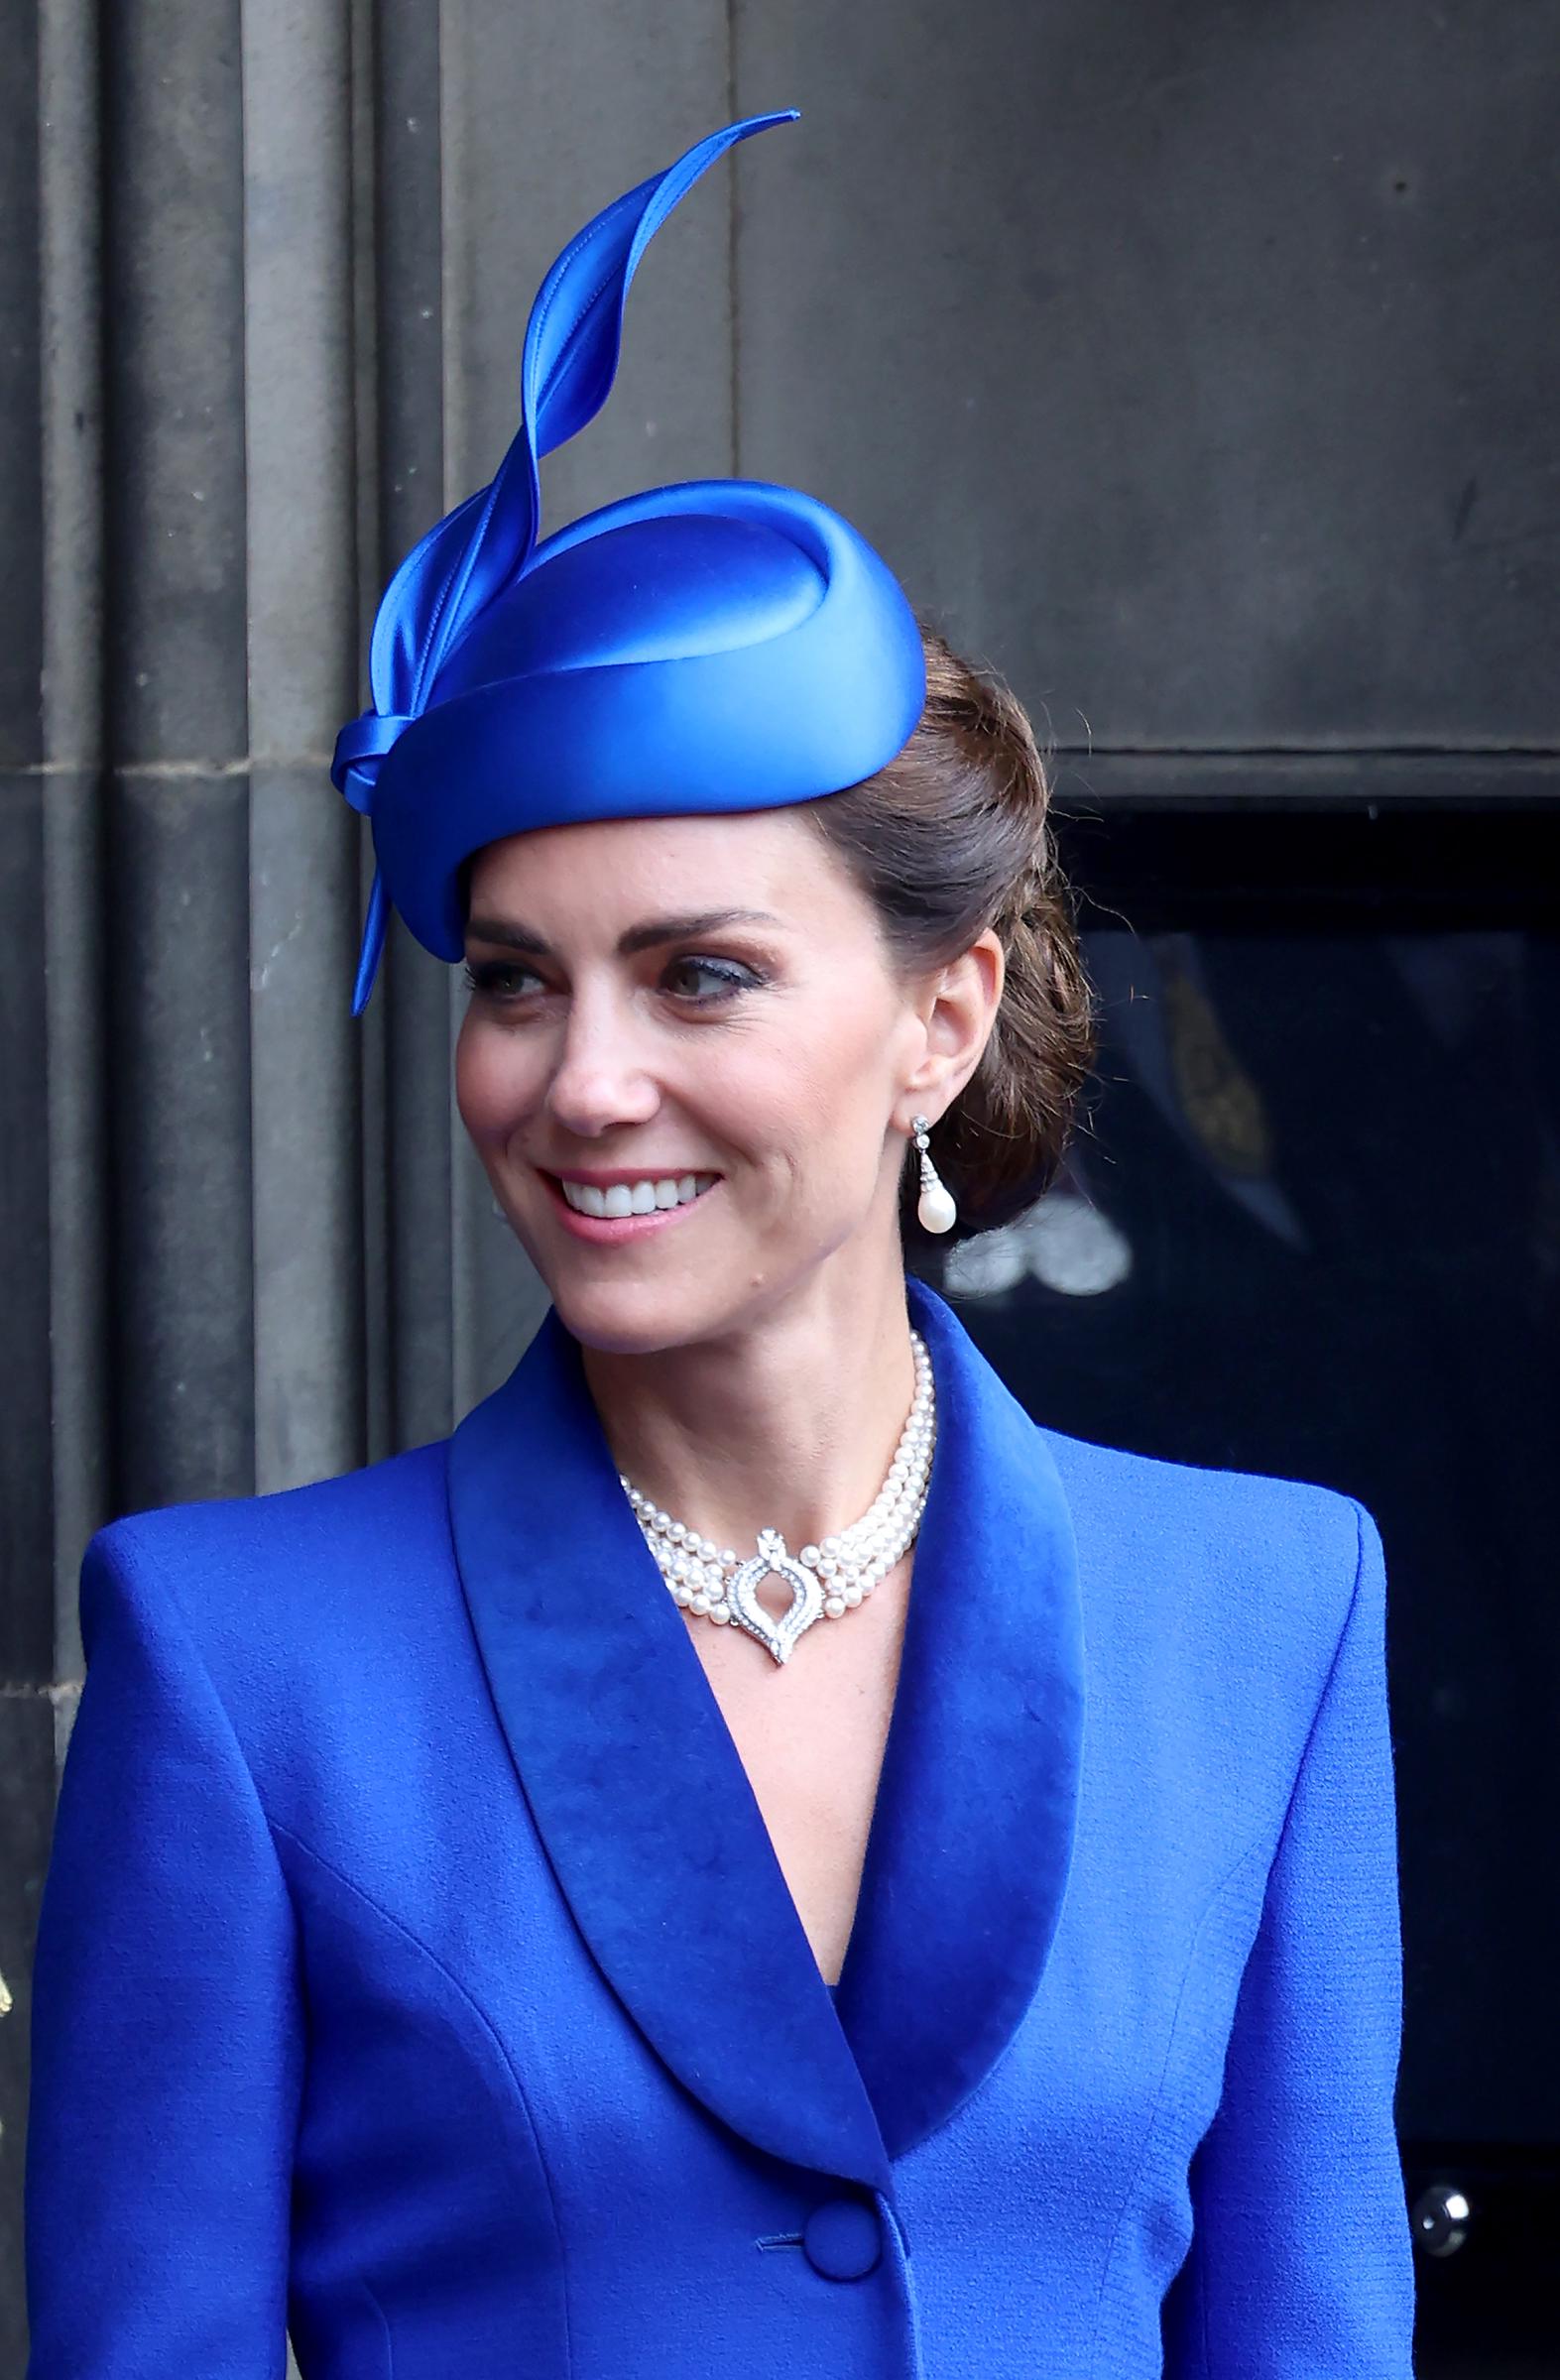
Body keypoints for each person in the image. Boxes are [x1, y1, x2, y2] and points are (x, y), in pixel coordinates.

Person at [24, 111, 1415, 2378]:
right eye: (512, 980)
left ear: (937, 1018)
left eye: (699, 975)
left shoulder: (1262, 1622)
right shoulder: (240, 1666)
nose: (580, 1080)